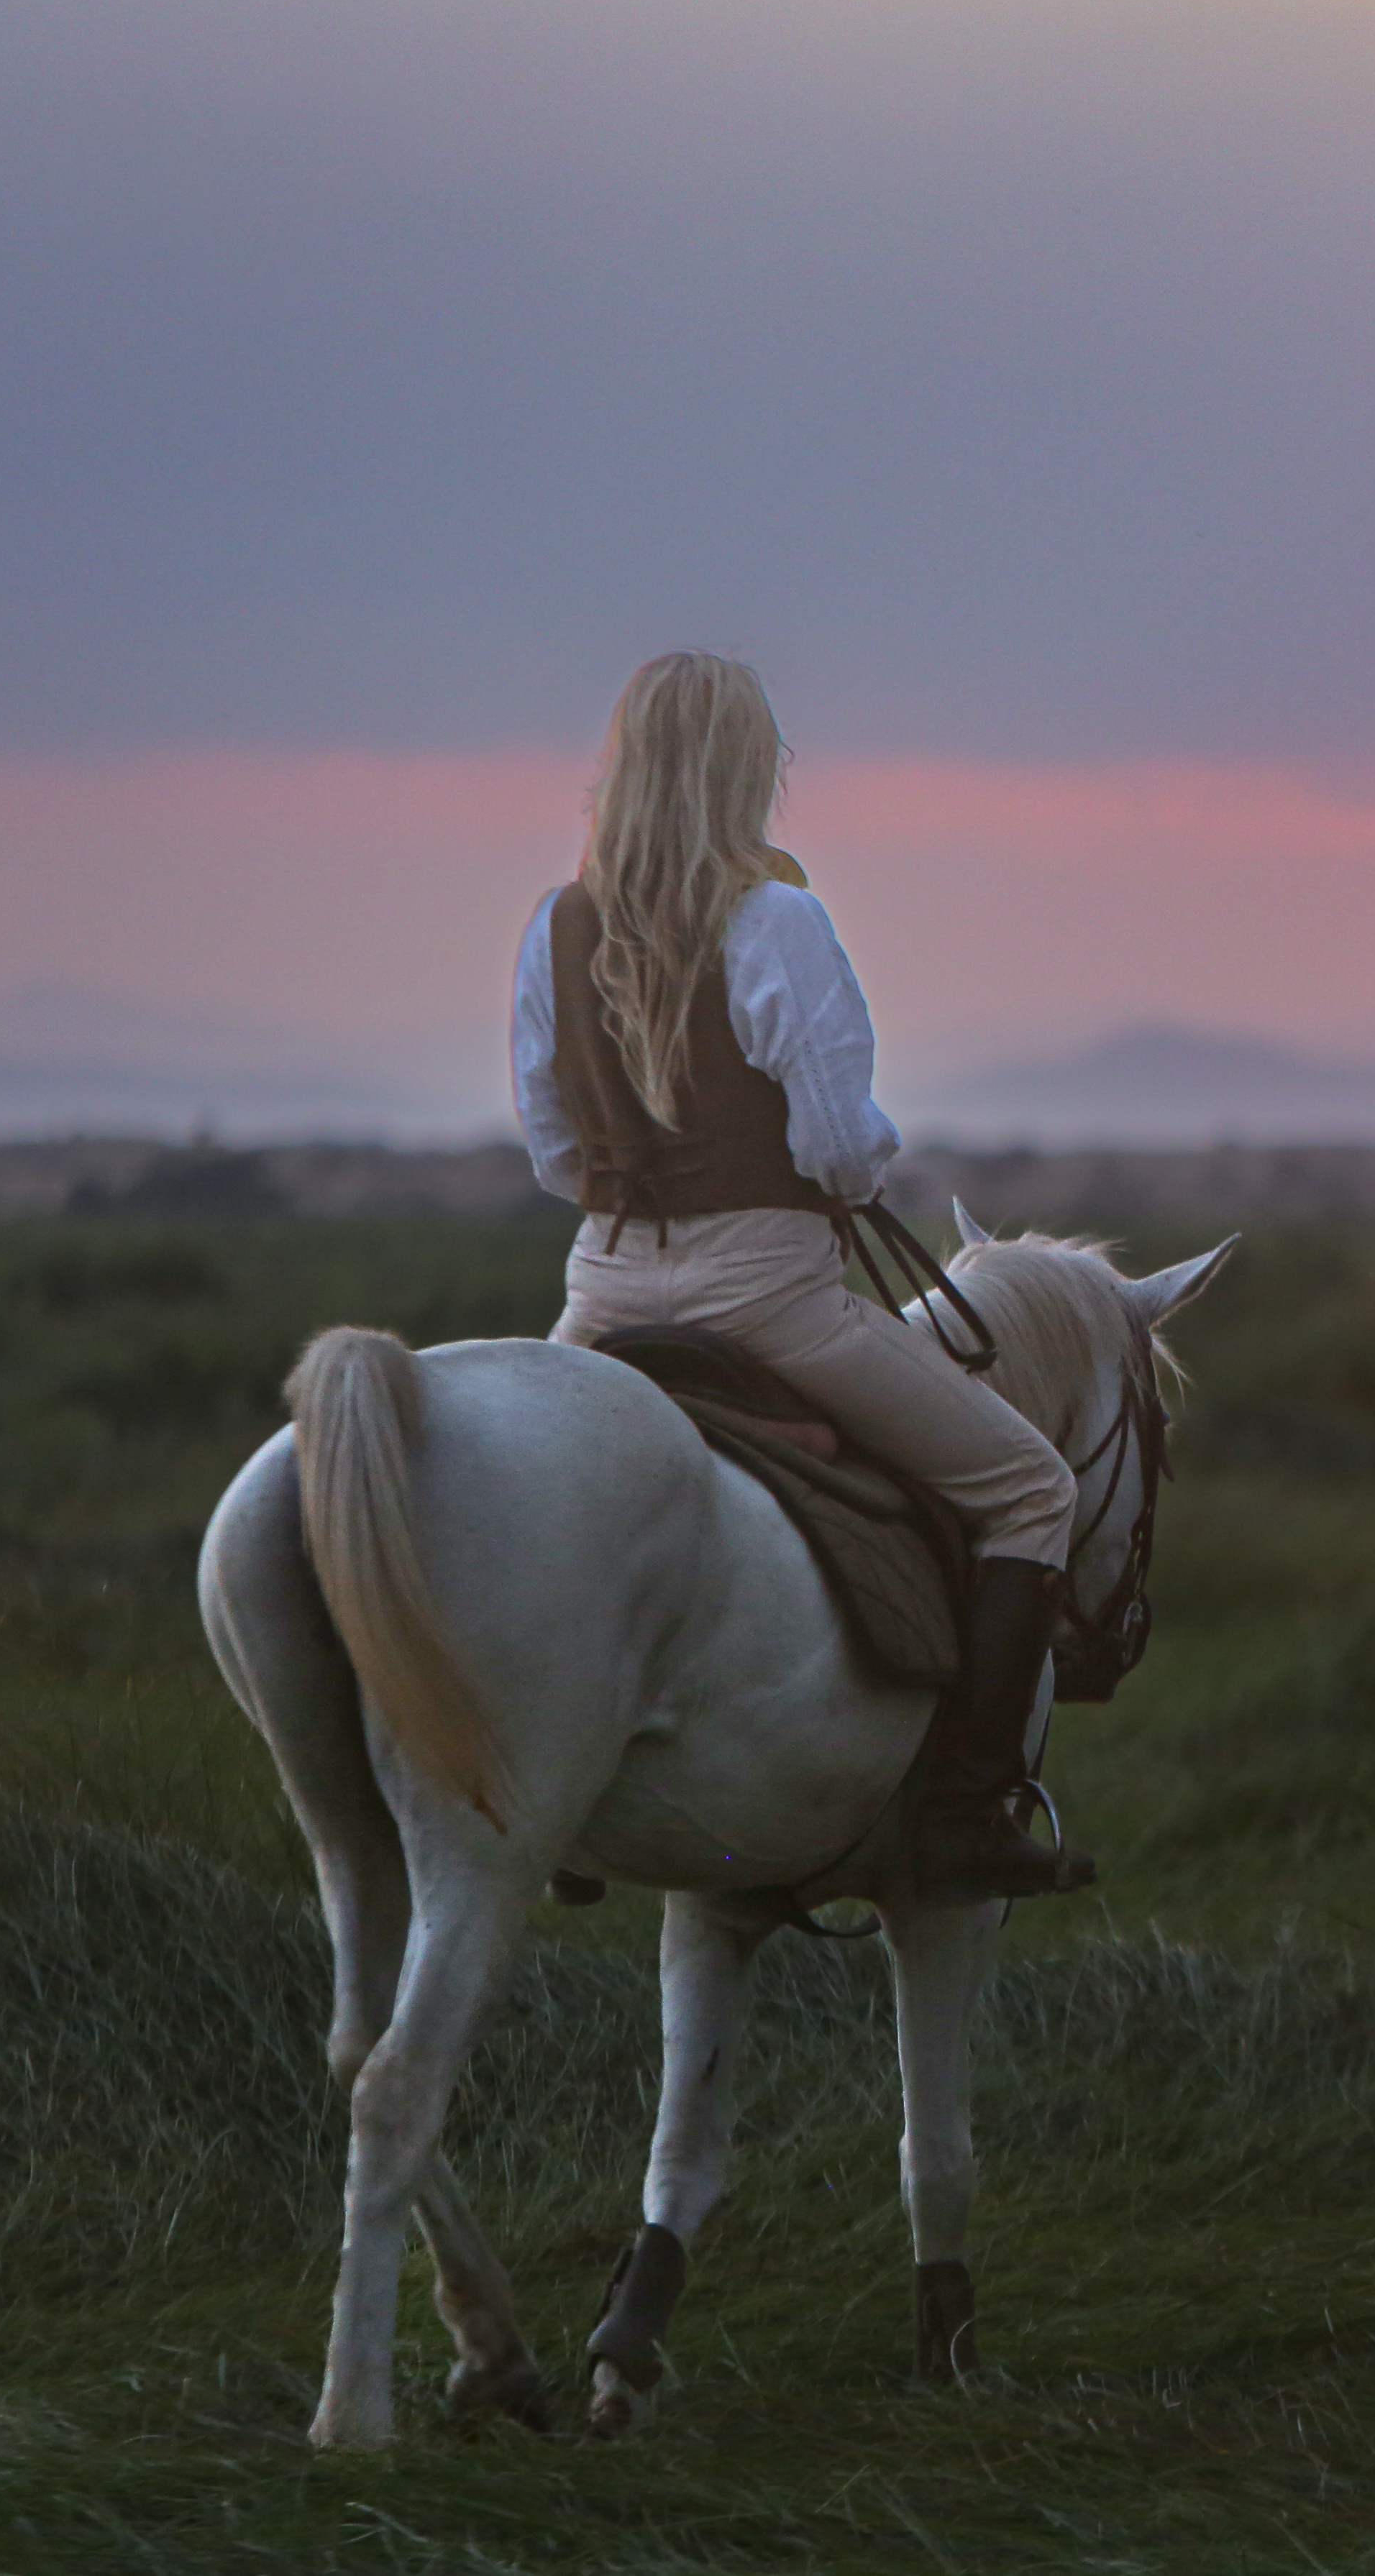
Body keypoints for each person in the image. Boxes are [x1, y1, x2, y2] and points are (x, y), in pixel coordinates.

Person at [513, 651, 1090, 1901]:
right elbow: (837, 1144)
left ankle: (530, 1785)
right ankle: (967, 1808)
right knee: (1032, 1489)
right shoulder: (777, 922)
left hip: (602, 1291)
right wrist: (846, 1171)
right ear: (748, 773)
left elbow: (556, 1155)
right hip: (770, 1293)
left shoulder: (554, 925)